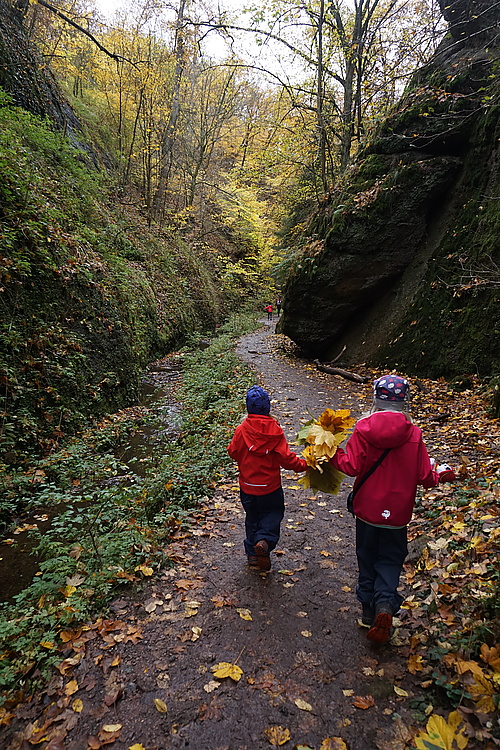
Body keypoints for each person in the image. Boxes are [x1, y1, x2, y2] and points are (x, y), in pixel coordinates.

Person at [330, 374, 456, 644]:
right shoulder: (414, 434)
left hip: (367, 510)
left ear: (376, 398)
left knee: (367, 557)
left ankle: (367, 612)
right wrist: (441, 475)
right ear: (404, 402)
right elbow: (425, 476)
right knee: (389, 559)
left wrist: (331, 453)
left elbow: (350, 466)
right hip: (397, 514)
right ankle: (385, 604)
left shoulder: (363, 429)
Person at [228, 385, 308, 571]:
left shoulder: (241, 430)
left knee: (252, 517)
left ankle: (252, 556)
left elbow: (232, 452)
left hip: (247, 486)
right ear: (268, 408)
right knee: (271, 515)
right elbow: (287, 459)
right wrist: (304, 465)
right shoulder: (276, 431)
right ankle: (264, 541)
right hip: (270, 488)